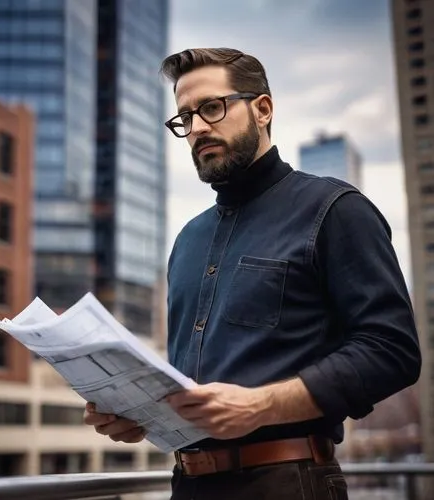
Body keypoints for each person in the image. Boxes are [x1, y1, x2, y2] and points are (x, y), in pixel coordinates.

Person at [84, 48, 421, 500]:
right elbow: (196, 383)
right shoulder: (187, 241)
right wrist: (142, 414)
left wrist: (261, 406)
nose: (197, 128)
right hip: (186, 487)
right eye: (185, 118)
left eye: (211, 107)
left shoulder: (335, 210)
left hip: (289, 482)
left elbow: (392, 350)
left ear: (262, 109)